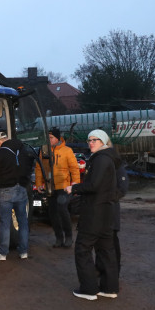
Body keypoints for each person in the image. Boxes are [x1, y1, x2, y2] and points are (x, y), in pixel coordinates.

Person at [64, 129, 121, 300]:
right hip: (107, 213)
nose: (91, 143)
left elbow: (94, 185)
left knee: (83, 249)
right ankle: (109, 288)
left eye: (95, 140)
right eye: (89, 140)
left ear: (103, 141)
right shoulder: (110, 159)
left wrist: (73, 188)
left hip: (94, 213)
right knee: (106, 251)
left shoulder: (101, 160)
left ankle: (89, 289)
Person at [35, 127, 80, 248]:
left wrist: (75, 183)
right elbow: (39, 168)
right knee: (53, 212)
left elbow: (74, 168)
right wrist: (39, 183)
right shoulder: (44, 150)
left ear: (57, 138)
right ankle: (59, 238)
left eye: (51, 137)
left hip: (63, 187)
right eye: (48, 137)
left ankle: (69, 236)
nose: (48, 140)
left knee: (62, 209)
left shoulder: (67, 151)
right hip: (50, 187)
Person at [0, 131, 30, 260]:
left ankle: (2, 253)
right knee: (22, 222)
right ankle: (23, 252)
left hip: (6, 190)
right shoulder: (23, 150)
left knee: (5, 223)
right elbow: (29, 168)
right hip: (22, 189)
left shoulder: (0, 153)